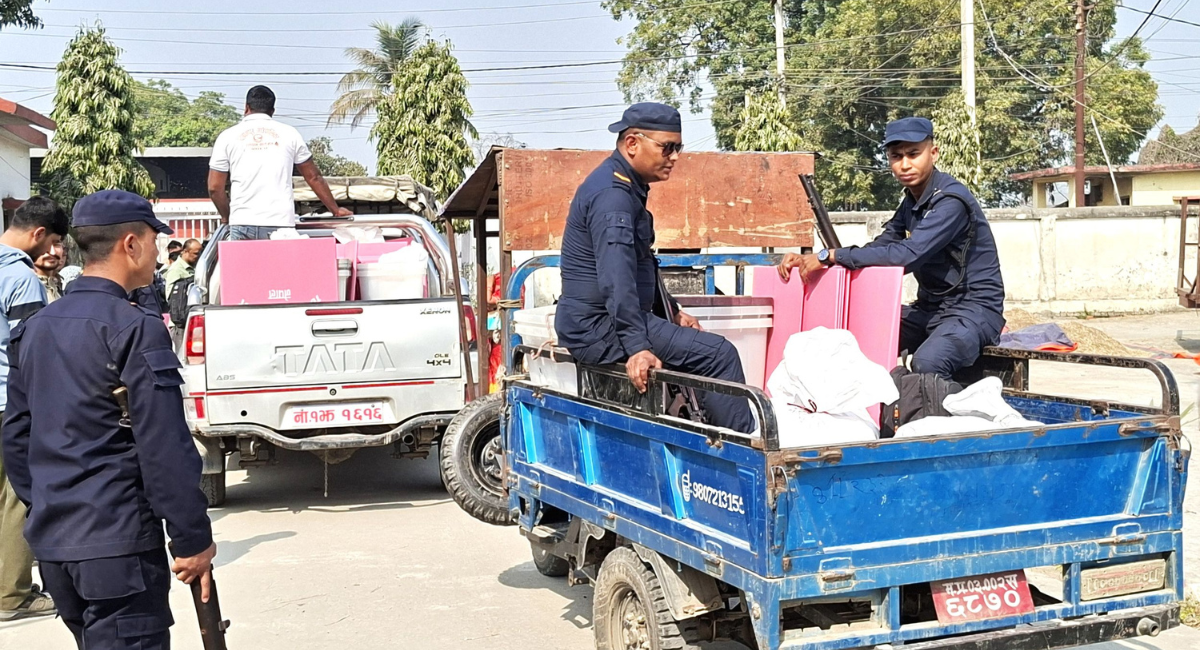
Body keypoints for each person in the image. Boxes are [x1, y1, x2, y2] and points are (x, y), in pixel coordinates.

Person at [1, 190, 215, 648]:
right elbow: (164, 447)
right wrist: (192, 538)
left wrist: (46, 508)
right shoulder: (135, 328)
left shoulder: (37, 327)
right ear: (131, 244)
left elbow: (17, 436)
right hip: (118, 548)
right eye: (155, 240)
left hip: (58, 550)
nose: (158, 251)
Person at [555, 103, 754, 433]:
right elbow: (616, 279)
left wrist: (672, 311)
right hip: (599, 327)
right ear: (633, 143)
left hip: (602, 321)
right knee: (720, 355)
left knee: (700, 345)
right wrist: (637, 347)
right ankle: (743, 462)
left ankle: (712, 441)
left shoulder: (625, 186)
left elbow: (641, 263)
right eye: (668, 147)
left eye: (679, 148)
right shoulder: (612, 195)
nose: (675, 157)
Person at [778, 117, 1005, 379]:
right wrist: (816, 259)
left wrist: (832, 256)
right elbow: (883, 246)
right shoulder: (912, 200)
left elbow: (906, 256)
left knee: (927, 363)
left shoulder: (950, 201)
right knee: (852, 340)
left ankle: (942, 416)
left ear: (933, 153)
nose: (904, 164)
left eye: (913, 154)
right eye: (896, 156)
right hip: (930, 309)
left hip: (973, 309)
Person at [0, 195, 67, 622]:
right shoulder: (20, 278)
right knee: (15, 498)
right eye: (55, 240)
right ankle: (13, 595)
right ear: (39, 234)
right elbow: (30, 350)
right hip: (8, 401)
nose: (55, 251)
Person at [208, 85, 351, 241]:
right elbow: (314, 177)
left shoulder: (227, 137)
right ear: (272, 110)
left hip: (242, 223)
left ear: (246, 107)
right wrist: (335, 209)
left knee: (244, 266)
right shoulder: (289, 134)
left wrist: (227, 216)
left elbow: (214, 187)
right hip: (280, 224)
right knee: (280, 266)